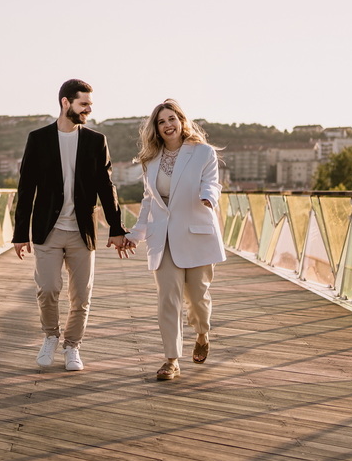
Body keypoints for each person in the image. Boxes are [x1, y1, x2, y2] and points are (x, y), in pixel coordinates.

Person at [12, 79, 131, 371]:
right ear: (66, 102)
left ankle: (72, 346)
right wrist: (20, 233)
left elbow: (107, 188)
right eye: (83, 104)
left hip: (82, 231)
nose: (89, 109)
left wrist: (116, 228)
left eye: (90, 104)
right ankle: (51, 337)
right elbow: (26, 188)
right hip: (48, 230)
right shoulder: (38, 139)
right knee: (47, 288)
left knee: (81, 296)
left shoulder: (96, 141)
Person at [124, 99, 225, 380]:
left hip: (196, 234)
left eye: (172, 119)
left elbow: (212, 183)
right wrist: (136, 234)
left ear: (182, 121)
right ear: (156, 128)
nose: (167, 125)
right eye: (161, 122)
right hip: (163, 238)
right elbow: (149, 201)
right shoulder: (151, 160)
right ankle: (171, 360)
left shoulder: (203, 152)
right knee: (168, 299)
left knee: (198, 298)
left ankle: (202, 333)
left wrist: (209, 197)